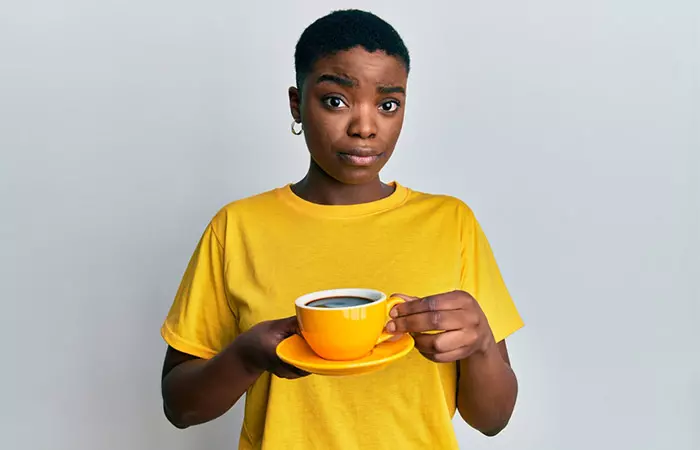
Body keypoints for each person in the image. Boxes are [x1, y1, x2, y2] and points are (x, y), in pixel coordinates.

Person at [160, 9, 524, 450]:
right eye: (336, 100)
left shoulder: (451, 223)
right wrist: (247, 354)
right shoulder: (236, 228)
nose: (365, 127)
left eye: (388, 105)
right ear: (297, 103)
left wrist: (482, 341)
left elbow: (492, 420)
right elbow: (180, 408)